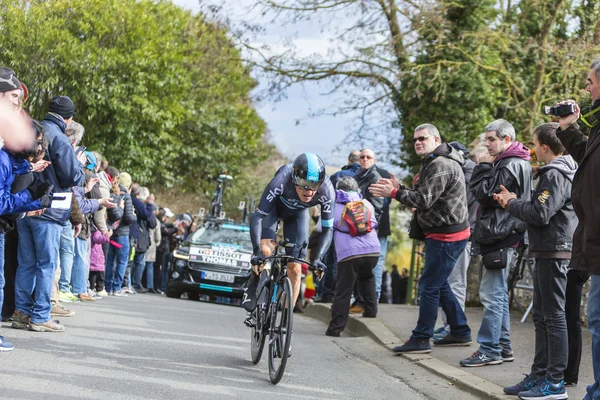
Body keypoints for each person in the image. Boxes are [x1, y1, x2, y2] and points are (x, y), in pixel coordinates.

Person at [370, 123, 471, 354]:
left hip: (448, 235)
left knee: (428, 286)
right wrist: (400, 188)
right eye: (415, 139)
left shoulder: (441, 164)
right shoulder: (434, 162)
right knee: (438, 283)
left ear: (436, 139)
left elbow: (423, 200)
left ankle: (421, 338)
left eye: (422, 138)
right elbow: (427, 197)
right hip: (444, 232)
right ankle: (460, 330)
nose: (417, 142)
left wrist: (394, 192)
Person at [495, 123, 576, 399]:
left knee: (553, 317)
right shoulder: (554, 172)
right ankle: (539, 374)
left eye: (533, 143)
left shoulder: (555, 174)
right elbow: (541, 209)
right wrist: (518, 201)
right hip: (547, 250)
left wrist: (511, 203)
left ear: (544, 146)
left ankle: (555, 382)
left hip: (555, 251)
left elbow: (541, 213)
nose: (531, 149)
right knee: (542, 317)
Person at [461, 119, 532, 367]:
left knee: (492, 296)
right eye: (487, 139)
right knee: (498, 294)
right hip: (506, 233)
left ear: (507, 139)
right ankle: (501, 347)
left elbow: (484, 194)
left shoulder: (508, 164)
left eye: (491, 139)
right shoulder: (517, 161)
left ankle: (489, 349)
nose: (487, 144)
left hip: (500, 235)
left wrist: (481, 167)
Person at [14, 95, 84, 333]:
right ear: (69, 118)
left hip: (24, 204)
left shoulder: (31, 129)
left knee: (25, 264)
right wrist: (79, 167)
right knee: (46, 263)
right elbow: (70, 177)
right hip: (50, 208)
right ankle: (41, 315)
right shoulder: (61, 139)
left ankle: (21, 312)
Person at [554, 57, 600, 400]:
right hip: (592, 241)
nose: (586, 88)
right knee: (596, 321)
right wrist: (569, 126)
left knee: (597, 322)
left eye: (590, 81)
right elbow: (588, 159)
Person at [245, 152, 332, 314]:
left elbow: (328, 229)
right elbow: (258, 217)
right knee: (265, 250)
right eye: (304, 184)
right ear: (294, 179)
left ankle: (285, 318)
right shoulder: (282, 178)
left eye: (314, 185)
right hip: (274, 210)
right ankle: (254, 279)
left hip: (298, 216)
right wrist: (257, 251)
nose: (309, 191)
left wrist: (319, 258)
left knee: (296, 268)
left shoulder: (327, 189)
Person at [434, 141, 477, 340]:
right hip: (461, 232)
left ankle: (453, 328)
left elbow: (459, 205)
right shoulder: (463, 171)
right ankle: (449, 325)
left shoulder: (467, 174)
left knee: (456, 283)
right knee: (449, 282)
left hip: (463, 233)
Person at [325, 176, 380, 337]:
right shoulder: (366, 204)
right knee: (367, 277)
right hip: (372, 250)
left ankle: (335, 329)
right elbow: (374, 223)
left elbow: (325, 228)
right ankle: (371, 311)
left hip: (349, 253)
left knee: (344, 290)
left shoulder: (334, 206)